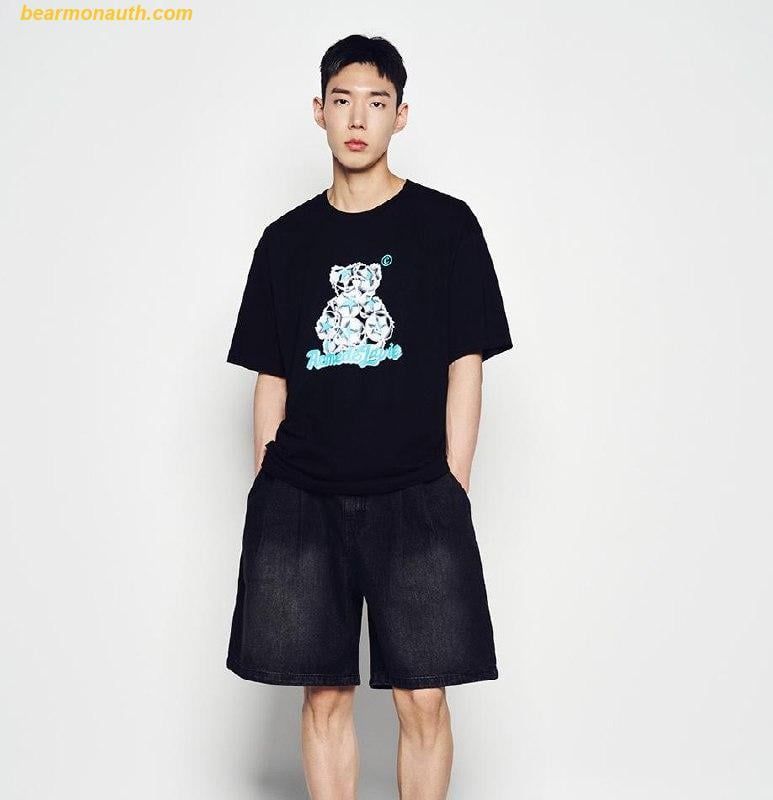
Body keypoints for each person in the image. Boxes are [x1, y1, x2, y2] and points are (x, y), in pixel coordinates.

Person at [225, 33, 514, 800]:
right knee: (323, 695)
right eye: (342, 100)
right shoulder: (285, 242)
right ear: (318, 111)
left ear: (400, 115)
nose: (358, 118)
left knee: (423, 698)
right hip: (300, 496)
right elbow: (271, 374)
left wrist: (452, 481)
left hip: (415, 494)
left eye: (377, 102)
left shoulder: (446, 227)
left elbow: (465, 363)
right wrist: (266, 483)